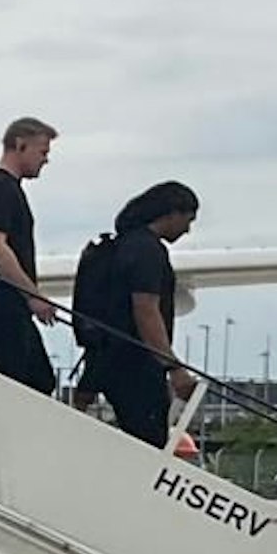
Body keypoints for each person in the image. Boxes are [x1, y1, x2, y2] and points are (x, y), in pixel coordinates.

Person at [80, 181, 200, 447]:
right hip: (136, 364)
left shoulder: (119, 246)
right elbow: (146, 310)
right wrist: (173, 367)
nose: (187, 229)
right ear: (170, 214)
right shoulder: (148, 252)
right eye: (187, 220)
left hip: (106, 355)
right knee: (150, 442)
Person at [0, 117, 60, 394]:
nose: (45, 160)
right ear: (20, 145)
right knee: (23, 383)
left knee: (38, 379)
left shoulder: (4, 188)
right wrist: (32, 295)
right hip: (1, 308)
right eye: (42, 152)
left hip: (6, 307)